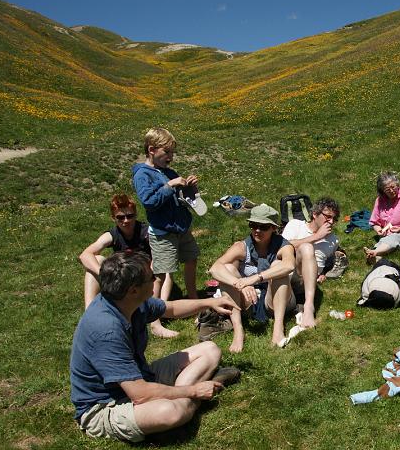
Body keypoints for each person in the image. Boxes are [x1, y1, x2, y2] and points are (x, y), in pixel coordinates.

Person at [70, 251, 241, 443]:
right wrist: (193, 392)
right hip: (104, 406)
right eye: (151, 277)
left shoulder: (130, 302)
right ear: (133, 290)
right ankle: (190, 403)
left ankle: (181, 404)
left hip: (138, 378)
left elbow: (171, 309)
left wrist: (210, 302)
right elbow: (140, 394)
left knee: (210, 350)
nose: (156, 279)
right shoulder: (106, 330)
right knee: (170, 412)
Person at [132, 127, 200, 334]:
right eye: (166, 152)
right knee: (161, 274)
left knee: (191, 260)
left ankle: (194, 302)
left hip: (181, 227)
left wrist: (190, 187)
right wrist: (170, 185)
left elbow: (182, 198)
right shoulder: (143, 174)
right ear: (151, 149)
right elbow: (149, 201)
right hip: (163, 232)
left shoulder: (168, 171)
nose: (170, 157)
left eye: (172, 153)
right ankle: (155, 321)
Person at [78, 194, 175, 337]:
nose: (126, 221)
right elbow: (84, 255)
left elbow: (160, 253)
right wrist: (104, 274)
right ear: (113, 218)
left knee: (164, 269)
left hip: (147, 277)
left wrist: (151, 268)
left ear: (135, 215)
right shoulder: (113, 234)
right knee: (97, 259)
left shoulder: (146, 231)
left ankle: (156, 321)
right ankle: (89, 316)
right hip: (124, 278)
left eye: (130, 216)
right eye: (120, 217)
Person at [209, 204, 297, 351]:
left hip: (276, 299)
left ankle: (278, 328)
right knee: (228, 269)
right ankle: (238, 331)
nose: (257, 230)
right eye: (253, 225)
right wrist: (239, 283)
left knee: (278, 267)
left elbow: (289, 266)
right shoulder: (242, 247)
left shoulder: (283, 245)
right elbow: (215, 268)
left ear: (273, 228)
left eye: (263, 227)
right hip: (250, 298)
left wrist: (255, 278)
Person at [281, 197, 341, 328]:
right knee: (306, 248)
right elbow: (281, 248)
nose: (331, 222)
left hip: (308, 284)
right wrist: (316, 237)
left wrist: (324, 272)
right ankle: (308, 306)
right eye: (328, 217)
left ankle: (308, 306)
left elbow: (330, 259)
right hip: (290, 275)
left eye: (334, 219)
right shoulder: (295, 225)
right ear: (315, 214)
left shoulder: (334, 240)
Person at [364, 172, 400, 264]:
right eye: (387, 189)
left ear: (397, 185)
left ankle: (375, 252)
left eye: (393, 187)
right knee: (387, 239)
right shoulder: (379, 200)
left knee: (394, 238)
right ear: (382, 190)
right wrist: (378, 230)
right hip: (387, 234)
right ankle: (376, 257)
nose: (391, 191)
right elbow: (374, 222)